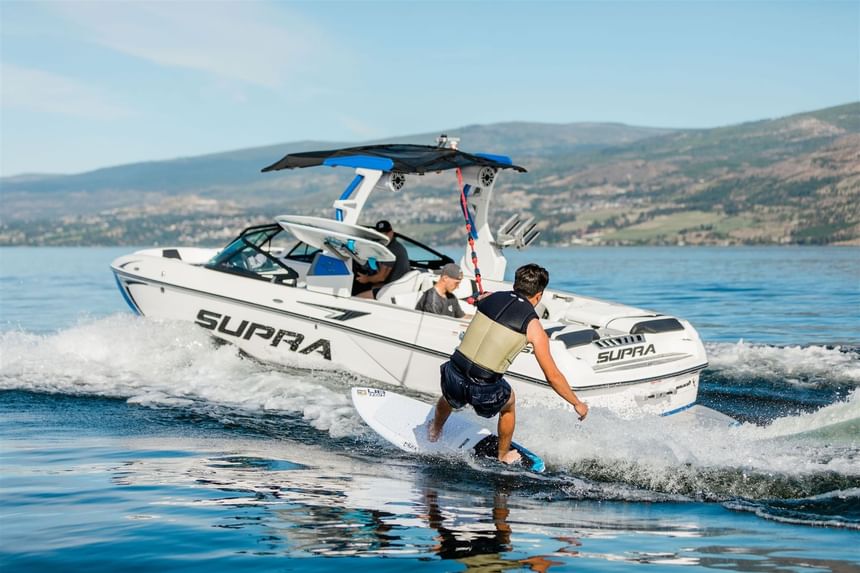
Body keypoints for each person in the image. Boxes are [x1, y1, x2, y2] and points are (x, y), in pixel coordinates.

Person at [428, 263, 589, 464]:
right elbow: (552, 376)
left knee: (450, 395)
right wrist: (577, 403)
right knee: (509, 402)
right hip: (482, 391)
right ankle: (503, 455)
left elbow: (479, 298)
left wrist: (483, 298)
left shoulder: (490, 297)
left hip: (452, 376)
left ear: (515, 284)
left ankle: (435, 429)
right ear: (538, 296)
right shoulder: (533, 326)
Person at [355, 220, 410, 299]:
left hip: (393, 289)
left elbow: (381, 277)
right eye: (381, 233)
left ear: (391, 232)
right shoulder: (393, 245)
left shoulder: (392, 249)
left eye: (386, 233)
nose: (384, 235)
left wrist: (366, 279)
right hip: (394, 285)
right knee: (369, 286)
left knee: (357, 297)